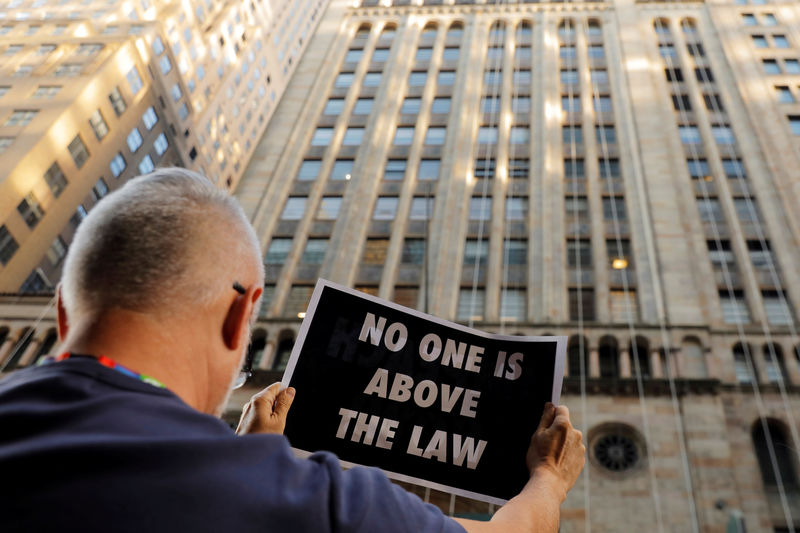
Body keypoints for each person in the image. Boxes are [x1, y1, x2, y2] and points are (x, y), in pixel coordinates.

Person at [0, 168, 584, 532]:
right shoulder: (307, 502)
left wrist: (249, 460)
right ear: (239, 314)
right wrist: (549, 483)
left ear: (63, 311)